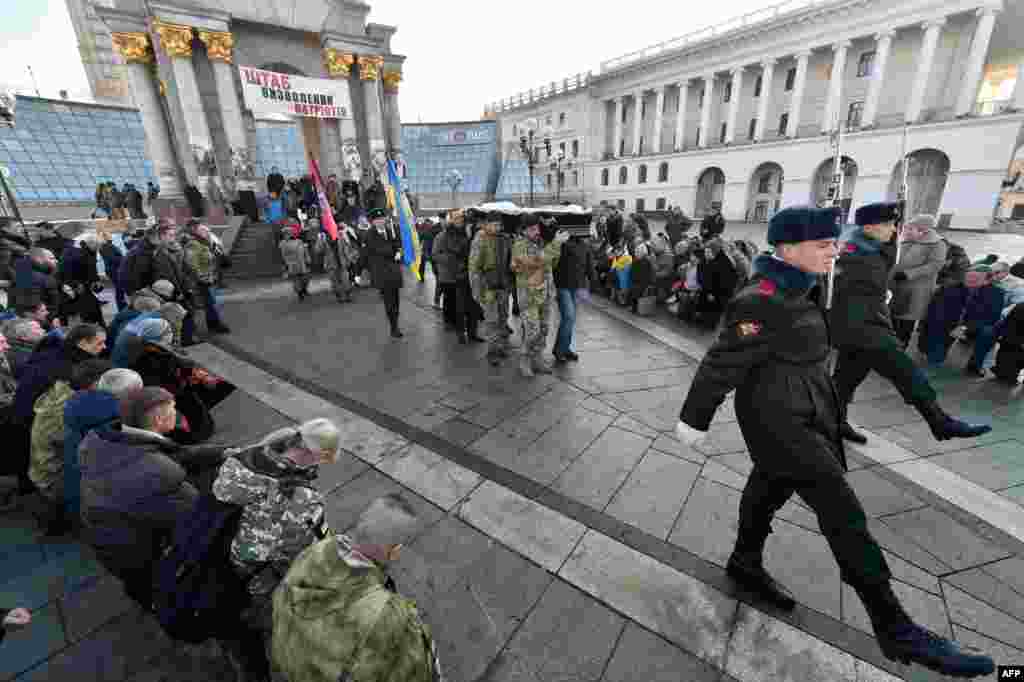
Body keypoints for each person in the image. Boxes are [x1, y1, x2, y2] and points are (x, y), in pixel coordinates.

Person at [675, 206, 995, 678]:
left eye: (833, 242)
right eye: (823, 244)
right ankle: (895, 627)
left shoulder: (805, 284)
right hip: (776, 419)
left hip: (809, 405)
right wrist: (694, 420)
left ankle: (744, 560)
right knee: (842, 509)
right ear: (788, 249)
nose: (833, 250)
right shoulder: (761, 299)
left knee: (769, 486)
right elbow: (720, 363)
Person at [830, 202, 991, 445]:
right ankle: (940, 422)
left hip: (868, 323)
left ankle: (835, 421)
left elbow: (886, 263)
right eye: (888, 224)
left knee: (845, 379)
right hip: (863, 326)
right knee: (905, 371)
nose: (894, 229)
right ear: (869, 227)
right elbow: (846, 291)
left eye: (895, 224)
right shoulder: (854, 254)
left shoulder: (873, 247)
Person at [271, 494, 445, 682]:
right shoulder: (392, 618)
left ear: (359, 525)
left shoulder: (312, 553)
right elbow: (423, 671)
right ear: (395, 552)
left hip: (287, 662)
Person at [212, 419, 339, 630]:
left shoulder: (243, 459)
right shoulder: (303, 499)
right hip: (257, 570)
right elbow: (308, 547)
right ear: (322, 455)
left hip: (224, 549)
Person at [30, 358, 111, 535]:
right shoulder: (69, 408)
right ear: (96, 383)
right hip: (54, 478)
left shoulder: (63, 393)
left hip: (43, 469)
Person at [511, 217, 567, 377]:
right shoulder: (519, 245)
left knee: (543, 329)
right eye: (532, 229)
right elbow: (534, 262)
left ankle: (537, 359)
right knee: (532, 330)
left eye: (537, 228)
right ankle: (525, 359)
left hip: (545, 293)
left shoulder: (542, 243)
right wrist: (555, 244)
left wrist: (556, 248)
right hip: (529, 296)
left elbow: (551, 264)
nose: (536, 232)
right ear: (524, 230)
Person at [889, 215, 947, 349]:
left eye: (911, 228)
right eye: (907, 227)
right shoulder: (907, 239)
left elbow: (935, 265)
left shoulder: (938, 244)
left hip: (915, 290)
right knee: (891, 317)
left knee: (906, 321)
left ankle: (900, 348)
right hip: (896, 285)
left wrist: (908, 274)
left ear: (923, 230)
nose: (907, 230)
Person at [469, 212, 516, 365]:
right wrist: (476, 291)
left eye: (499, 225)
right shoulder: (480, 239)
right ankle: (492, 352)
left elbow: (511, 261)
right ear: (486, 224)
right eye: (494, 225)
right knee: (491, 320)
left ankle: (500, 347)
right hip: (487, 287)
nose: (497, 228)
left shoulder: (505, 239)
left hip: (503, 286)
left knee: (503, 317)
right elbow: (474, 268)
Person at [182, 221, 230, 338]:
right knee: (210, 303)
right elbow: (192, 264)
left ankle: (213, 324)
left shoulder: (204, 242)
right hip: (202, 280)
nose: (207, 232)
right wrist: (202, 277)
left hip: (208, 277)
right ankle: (215, 325)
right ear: (196, 231)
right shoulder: (193, 244)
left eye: (207, 230)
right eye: (203, 230)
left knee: (211, 303)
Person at [365, 208, 404, 339]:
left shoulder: (390, 230)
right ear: (373, 222)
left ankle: (395, 321)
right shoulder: (370, 235)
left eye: (382, 219)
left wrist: (399, 251)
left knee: (396, 300)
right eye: (377, 220)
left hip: (394, 271)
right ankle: (394, 326)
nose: (380, 221)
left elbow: (398, 243)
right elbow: (379, 250)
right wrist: (393, 252)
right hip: (382, 272)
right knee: (389, 301)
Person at [437, 210, 475, 344]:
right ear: (451, 220)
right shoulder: (443, 235)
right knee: (456, 305)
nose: (460, 220)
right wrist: (451, 261)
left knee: (471, 305)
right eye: (456, 218)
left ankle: (472, 333)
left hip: (469, 274)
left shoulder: (468, 233)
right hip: (452, 275)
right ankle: (458, 331)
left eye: (461, 218)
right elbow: (435, 254)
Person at [553, 233, 591, 363]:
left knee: (570, 318)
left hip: (576, 286)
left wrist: (591, 282)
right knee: (568, 317)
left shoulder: (584, 245)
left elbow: (588, 265)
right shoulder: (562, 243)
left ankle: (564, 348)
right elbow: (554, 264)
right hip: (563, 285)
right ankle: (560, 350)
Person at [10, 248, 59, 313]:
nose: (56, 261)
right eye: (51, 258)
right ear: (39, 259)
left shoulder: (19, 275)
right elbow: (53, 307)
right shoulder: (46, 279)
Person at [323, 223, 358, 304]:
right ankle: (339, 296)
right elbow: (318, 250)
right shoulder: (324, 239)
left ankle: (347, 295)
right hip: (331, 264)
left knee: (346, 280)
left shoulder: (340, 237)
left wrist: (350, 259)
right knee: (335, 282)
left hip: (342, 262)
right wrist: (320, 239)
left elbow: (347, 248)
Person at [279, 224, 312, 302]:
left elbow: (304, 250)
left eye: (291, 232)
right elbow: (283, 255)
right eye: (288, 233)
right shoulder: (283, 243)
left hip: (302, 262)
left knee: (306, 278)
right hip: (292, 263)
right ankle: (300, 293)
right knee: (296, 279)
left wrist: (307, 258)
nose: (290, 234)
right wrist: (286, 265)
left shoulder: (299, 241)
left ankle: (303, 289)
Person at [98, 233, 127, 312]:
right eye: (108, 236)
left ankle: (122, 305)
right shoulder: (107, 247)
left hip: (112, 270)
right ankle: (121, 306)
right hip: (114, 270)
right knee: (119, 289)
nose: (110, 237)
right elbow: (113, 259)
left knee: (119, 289)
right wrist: (124, 258)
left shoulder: (106, 246)